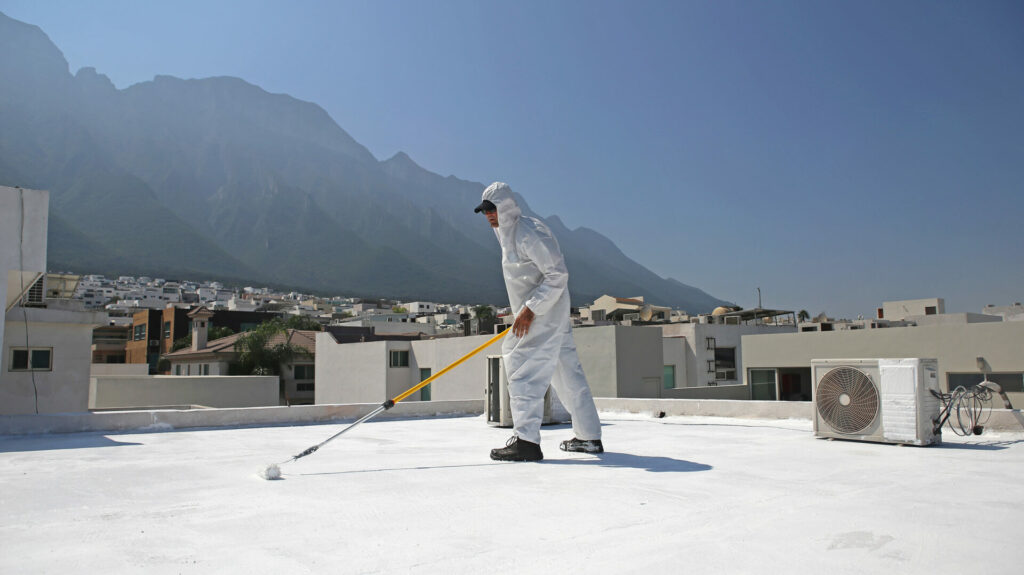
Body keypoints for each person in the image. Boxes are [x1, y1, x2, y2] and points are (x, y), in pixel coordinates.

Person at [474, 182, 603, 461]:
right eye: (485, 212)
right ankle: (588, 436)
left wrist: (530, 310)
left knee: (521, 367)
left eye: (492, 210)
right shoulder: (507, 233)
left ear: (506, 207)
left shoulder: (528, 233)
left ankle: (527, 442)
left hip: (541, 314)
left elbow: (557, 274)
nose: (488, 216)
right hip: (548, 313)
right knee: (566, 372)